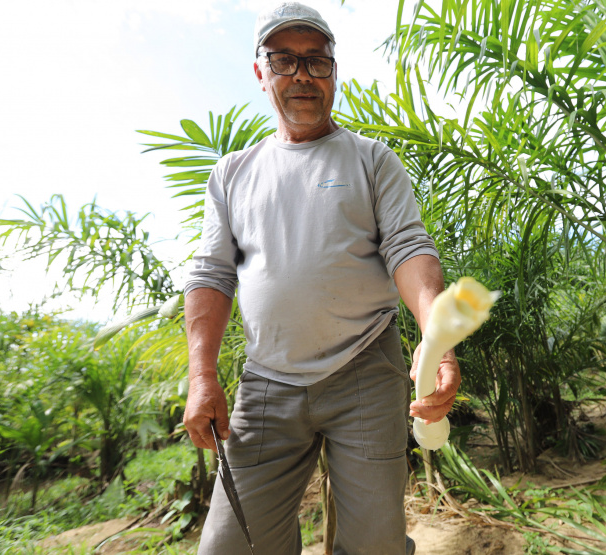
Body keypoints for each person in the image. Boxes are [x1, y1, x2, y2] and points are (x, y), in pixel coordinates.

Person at [181, 3, 459, 553]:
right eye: (285, 60)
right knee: (230, 547)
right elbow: (211, 274)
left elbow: (410, 250)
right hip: (267, 383)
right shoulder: (233, 173)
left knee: (374, 545)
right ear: (260, 72)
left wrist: (439, 341)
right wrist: (202, 375)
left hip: (364, 370)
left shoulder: (372, 161)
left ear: (335, 71)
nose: (303, 75)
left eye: (317, 61)